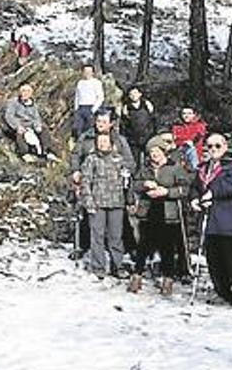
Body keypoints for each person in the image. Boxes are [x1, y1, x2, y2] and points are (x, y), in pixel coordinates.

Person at [193, 133, 232, 312]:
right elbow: (195, 187)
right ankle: (222, 292)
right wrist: (195, 199)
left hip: (229, 223)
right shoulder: (203, 168)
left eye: (217, 146)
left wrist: (213, 192)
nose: (213, 150)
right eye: (210, 146)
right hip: (210, 222)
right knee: (214, 261)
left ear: (225, 146)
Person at [70, 109, 136, 259]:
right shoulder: (86, 137)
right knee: (88, 218)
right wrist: (75, 171)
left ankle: (126, 250)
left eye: (104, 122)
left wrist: (120, 169)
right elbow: (75, 155)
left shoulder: (119, 140)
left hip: (114, 187)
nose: (100, 124)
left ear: (111, 123)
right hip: (90, 181)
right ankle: (84, 247)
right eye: (98, 121)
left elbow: (130, 162)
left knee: (118, 223)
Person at [127, 145, 192, 295]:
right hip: (148, 211)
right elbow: (134, 185)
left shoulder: (174, 168)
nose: (154, 155)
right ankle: (137, 276)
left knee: (167, 248)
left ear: (164, 153)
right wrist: (144, 184)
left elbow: (185, 188)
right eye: (151, 152)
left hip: (168, 212)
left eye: (157, 152)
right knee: (143, 246)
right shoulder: (145, 169)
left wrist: (167, 191)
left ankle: (167, 279)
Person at [78, 132, 129, 279]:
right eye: (99, 141)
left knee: (116, 237)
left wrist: (128, 195)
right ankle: (98, 266)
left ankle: (117, 266)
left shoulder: (119, 160)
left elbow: (127, 180)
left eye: (105, 141)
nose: (102, 144)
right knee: (97, 237)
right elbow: (85, 182)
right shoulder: (91, 159)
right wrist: (88, 201)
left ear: (111, 143)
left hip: (116, 203)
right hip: (97, 203)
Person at [3, 83, 54, 162]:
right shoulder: (14, 102)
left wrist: (37, 125)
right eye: (23, 91)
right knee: (20, 133)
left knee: (44, 129)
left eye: (28, 91)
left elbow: (37, 117)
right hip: (19, 124)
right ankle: (24, 153)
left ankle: (46, 150)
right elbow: (9, 116)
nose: (25, 93)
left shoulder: (33, 104)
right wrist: (17, 126)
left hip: (31, 124)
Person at [118, 87, 156, 169]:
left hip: (148, 136)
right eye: (131, 94)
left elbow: (153, 119)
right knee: (135, 160)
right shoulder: (126, 107)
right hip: (134, 138)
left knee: (149, 159)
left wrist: (153, 133)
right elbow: (124, 124)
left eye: (135, 93)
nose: (133, 95)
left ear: (140, 94)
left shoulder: (146, 104)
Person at [71, 64, 105, 139]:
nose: (87, 73)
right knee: (78, 129)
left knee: (90, 129)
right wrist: (76, 109)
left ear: (93, 73)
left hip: (91, 107)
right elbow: (77, 96)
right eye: (85, 71)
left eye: (89, 71)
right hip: (81, 108)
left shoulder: (96, 83)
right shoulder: (80, 83)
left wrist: (93, 110)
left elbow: (100, 97)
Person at [172, 106, 208, 172]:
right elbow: (176, 140)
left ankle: (195, 169)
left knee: (191, 148)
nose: (186, 116)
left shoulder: (199, 126)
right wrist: (183, 142)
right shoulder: (177, 127)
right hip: (181, 152)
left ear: (194, 115)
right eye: (184, 113)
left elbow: (197, 138)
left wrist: (187, 141)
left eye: (189, 113)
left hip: (195, 154)